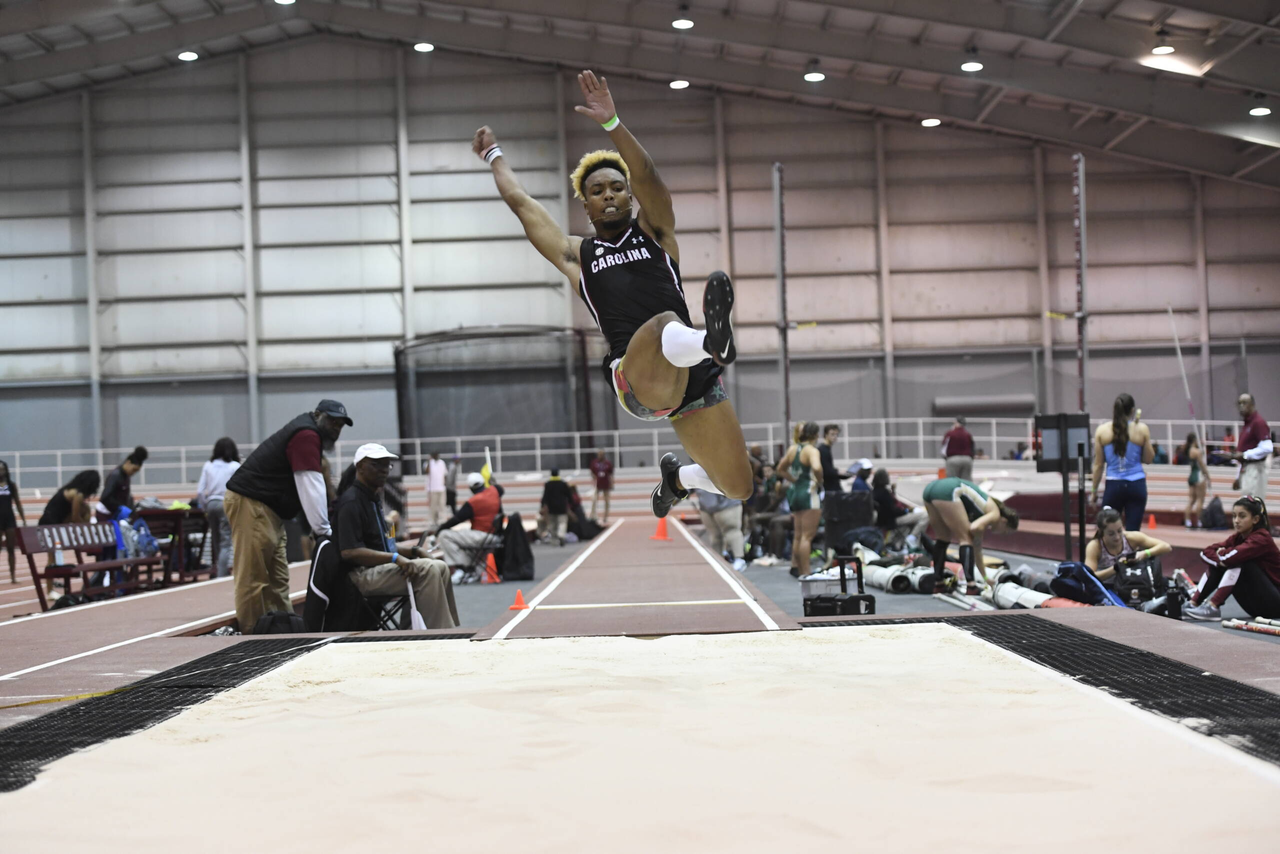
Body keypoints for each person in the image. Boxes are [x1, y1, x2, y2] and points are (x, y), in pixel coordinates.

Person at [475, 69, 752, 522]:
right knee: (663, 323)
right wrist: (493, 155)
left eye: (617, 188)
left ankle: (679, 479)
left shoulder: (655, 231)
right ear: (585, 205)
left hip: (691, 376)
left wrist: (612, 123)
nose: (608, 196)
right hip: (636, 378)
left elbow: (648, 174)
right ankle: (712, 340)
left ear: (630, 197)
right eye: (597, 191)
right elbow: (522, 203)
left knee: (739, 486)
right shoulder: (577, 255)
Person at [224, 399, 350, 633]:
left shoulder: (309, 434)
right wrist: (323, 531)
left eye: (340, 424)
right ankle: (251, 638)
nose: (336, 428)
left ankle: (283, 634)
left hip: (269, 511)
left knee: (278, 580)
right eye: (333, 421)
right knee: (253, 579)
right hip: (251, 504)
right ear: (317, 415)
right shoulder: (306, 435)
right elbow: (310, 484)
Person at [335, 443, 457, 630]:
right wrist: (395, 558)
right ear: (360, 466)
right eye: (376, 465)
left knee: (440, 566)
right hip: (361, 576)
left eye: (387, 465)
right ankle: (441, 633)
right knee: (427, 570)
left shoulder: (372, 499)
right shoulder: (351, 502)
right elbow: (349, 552)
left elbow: (384, 544)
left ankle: (418, 632)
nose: (384, 470)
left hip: (379, 569)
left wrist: (414, 551)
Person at [1183, 496, 1280, 621]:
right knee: (1218, 564)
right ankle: (1193, 603)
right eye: (1234, 516)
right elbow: (1205, 552)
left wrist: (1223, 554)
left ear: (1255, 519)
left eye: (1242, 516)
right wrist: (1220, 560)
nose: (1236, 521)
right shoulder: (1237, 538)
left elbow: (1230, 558)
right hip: (1255, 605)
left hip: (1275, 604)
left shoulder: (1261, 538)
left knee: (1242, 563)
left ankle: (1213, 607)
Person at [922, 476, 1019, 594]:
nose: (1003, 534)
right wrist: (977, 536)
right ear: (1004, 521)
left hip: (930, 490)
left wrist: (985, 578)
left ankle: (938, 583)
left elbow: (977, 551)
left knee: (943, 538)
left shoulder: (984, 513)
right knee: (966, 539)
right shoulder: (995, 513)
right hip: (949, 489)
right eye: (1006, 531)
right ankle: (971, 586)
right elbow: (975, 528)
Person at [1090, 393, 1153, 531]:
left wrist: (1094, 491)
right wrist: (1143, 438)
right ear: (1132, 411)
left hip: (1114, 486)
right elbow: (1148, 459)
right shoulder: (1141, 429)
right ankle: (1131, 545)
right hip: (1136, 485)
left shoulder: (1102, 431)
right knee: (1133, 532)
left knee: (1108, 531)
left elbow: (1098, 465)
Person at [432, 473, 505, 581]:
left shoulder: (473, 502)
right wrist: (492, 483)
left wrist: (439, 530)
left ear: (470, 487)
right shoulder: (495, 491)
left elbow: (457, 519)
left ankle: (461, 568)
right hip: (494, 536)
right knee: (463, 533)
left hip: (482, 536)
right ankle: (472, 569)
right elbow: (501, 489)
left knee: (445, 535)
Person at [1083, 506, 1172, 587]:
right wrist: (1116, 568)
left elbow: (1166, 547)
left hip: (1131, 585)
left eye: (1119, 531)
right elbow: (1089, 576)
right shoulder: (1095, 546)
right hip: (1106, 587)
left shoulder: (1131, 538)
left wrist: (1145, 553)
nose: (1117, 537)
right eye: (1111, 534)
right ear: (1101, 532)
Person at [778, 422, 824, 578]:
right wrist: (820, 480)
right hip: (809, 494)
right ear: (816, 435)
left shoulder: (793, 449)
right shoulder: (812, 450)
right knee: (807, 537)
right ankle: (806, 572)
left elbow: (780, 469)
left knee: (798, 536)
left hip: (796, 493)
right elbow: (817, 467)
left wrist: (793, 479)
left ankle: (798, 568)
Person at [195, 438, 241, 578]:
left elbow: (200, 491)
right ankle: (221, 575)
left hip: (211, 503)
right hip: (226, 502)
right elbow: (240, 488)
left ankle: (220, 570)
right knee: (226, 542)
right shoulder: (234, 466)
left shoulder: (208, 465)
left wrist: (205, 507)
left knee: (216, 540)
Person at [871, 468, 927, 550]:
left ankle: (905, 543)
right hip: (891, 520)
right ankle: (912, 537)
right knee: (925, 516)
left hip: (884, 520)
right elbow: (892, 510)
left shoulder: (874, 492)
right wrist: (907, 511)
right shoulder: (884, 493)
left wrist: (892, 492)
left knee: (910, 523)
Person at [1229, 393, 1272, 498]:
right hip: (1246, 468)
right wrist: (1238, 477)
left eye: (1245, 403)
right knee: (1246, 502)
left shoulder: (1258, 422)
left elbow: (1267, 447)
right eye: (1239, 403)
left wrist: (1245, 454)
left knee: (1252, 503)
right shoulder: (1247, 424)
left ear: (1252, 405)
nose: (1241, 406)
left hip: (1255, 469)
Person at [693, 489, 746, 571]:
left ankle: (739, 559)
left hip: (727, 505)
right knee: (715, 536)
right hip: (706, 507)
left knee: (732, 531)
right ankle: (718, 559)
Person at [0, 460, 27, 584]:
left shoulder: (11, 485)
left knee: (11, 548)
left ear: (6, 471)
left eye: (2, 469)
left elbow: (18, 502)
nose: (1, 471)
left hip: (9, 519)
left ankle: (13, 576)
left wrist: (23, 519)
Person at [101, 446, 147, 518]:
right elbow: (105, 498)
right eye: (134, 469)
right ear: (128, 462)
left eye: (136, 471)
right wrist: (119, 508)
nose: (134, 473)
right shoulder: (115, 475)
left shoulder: (126, 477)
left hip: (118, 514)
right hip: (107, 515)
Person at [1180, 432, 1211, 528]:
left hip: (1191, 476)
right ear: (1194, 440)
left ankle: (1187, 521)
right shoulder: (1197, 451)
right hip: (1198, 475)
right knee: (1200, 499)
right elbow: (1202, 465)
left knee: (1191, 500)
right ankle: (1199, 521)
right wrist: (1207, 475)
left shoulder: (1188, 450)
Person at [538, 468, 575, 546]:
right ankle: (561, 535)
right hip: (561, 507)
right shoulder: (563, 484)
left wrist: (542, 505)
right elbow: (569, 495)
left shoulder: (548, 484)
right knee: (562, 522)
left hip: (551, 507)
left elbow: (545, 496)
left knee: (552, 524)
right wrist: (571, 503)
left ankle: (554, 540)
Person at [818, 425, 852, 495]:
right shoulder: (823, 450)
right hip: (829, 488)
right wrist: (837, 472)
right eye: (832, 434)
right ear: (826, 435)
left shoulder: (826, 449)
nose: (835, 437)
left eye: (836, 434)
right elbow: (826, 471)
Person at [941, 417, 974, 481]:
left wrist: (946, 458)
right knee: (966, 481)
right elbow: (972, 447)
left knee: (952, 481)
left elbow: (944, 447)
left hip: (953, 459)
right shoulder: (968, 434)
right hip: (967, 459)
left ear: (956, 423)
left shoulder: (950, 434)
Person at [588, 449, 614, 523]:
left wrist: (611, 483)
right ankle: (593, 515)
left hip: (606, 484)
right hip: (598, 483)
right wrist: (594, 479)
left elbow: (611, 474)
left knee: (606, 501)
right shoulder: (594, 463)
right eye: (599, 454)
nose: (600, 456)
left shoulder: (607, 463)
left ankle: (605, 516)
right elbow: (592, 472)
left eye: (601, 454)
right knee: (594, 499)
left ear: (604, 455)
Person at [424, 452, 448, 528]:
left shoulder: (442, 463)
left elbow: (445, 474)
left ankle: (442, 520)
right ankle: (433, 521)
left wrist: (445, 484)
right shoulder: (429, 463)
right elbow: (427, 471)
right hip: (432, 488)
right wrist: (429, 461)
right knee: (433, 506)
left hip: (441, 488)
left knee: (442, 504)